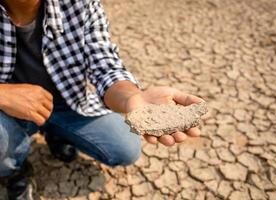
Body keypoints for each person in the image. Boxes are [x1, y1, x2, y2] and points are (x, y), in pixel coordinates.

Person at [0, 0, 203, 199]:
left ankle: (57, 132)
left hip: (67, 102)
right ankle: (14, 169)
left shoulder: (80, 4)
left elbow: (104, 65)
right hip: (7, 111)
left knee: (125, 147)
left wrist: (132, 98)